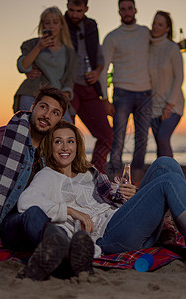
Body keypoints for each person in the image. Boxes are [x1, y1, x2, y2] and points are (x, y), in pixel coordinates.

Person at [17, 120, 186, 275]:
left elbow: (109, 202)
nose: (64, 147)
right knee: (167, 182)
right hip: (108, 237)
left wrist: (131, 197)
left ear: (77, 146)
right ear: (50, 148)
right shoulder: (47, 175)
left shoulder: (88, 173)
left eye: (70, 141)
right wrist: (70, 211)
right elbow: (25, 203)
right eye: (58, 141)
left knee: (165, 164)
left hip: (122, 223)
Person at [0, 87, 93, 280]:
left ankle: (59, 252)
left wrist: (116, 190)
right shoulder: (0, 138)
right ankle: (64, 254)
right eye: (43, 107)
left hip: (32, 221)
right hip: (0, 225)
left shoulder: (52, 152)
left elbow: (79, 173)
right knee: (33, 213)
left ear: (59, 120)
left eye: (55, 113)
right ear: (32, 107)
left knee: (35, 213)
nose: (47, 115)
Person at [101, 0, 152, 185]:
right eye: (123, 9)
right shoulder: (112, 37)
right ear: (119, 12)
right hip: (121, 94)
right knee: (118, 140)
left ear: (135, 10)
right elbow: (103, 69)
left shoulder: (145, 32)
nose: (127, 12)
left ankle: (136, 185)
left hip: (146, 94)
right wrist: (105, 98)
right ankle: (114, 185)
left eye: (129, 8)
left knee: (142, 141)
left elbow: (161, 47)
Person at [63, 0, 113, 173]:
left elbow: (99, 55)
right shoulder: (60, 23)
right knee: (65, 132)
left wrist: (98, 72)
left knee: (107, 135)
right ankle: (66, 172)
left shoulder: (92, 26)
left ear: (86, 9)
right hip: (69, 87)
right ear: (67, 5)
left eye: (79, 11)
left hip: (90, 86)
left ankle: (95, 174)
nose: (75, 14)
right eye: (71, 10)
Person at [13, 6, 77, 123]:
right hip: (32, 94)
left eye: (55, 22)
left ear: (61, 25)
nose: (51, 26)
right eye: (47, 23)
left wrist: (65, 95)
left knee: (66, 131)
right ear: (43, 26)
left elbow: (70, 77)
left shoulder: (69, 52)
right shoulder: (31, 44)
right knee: (29, 129)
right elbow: (22, 66)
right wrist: (39, 47)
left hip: (56, 97)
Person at [149, 11, 185, 158]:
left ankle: (172, 177)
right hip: (153, 106)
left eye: (160, 24)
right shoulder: (148, 48)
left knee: (163, 138)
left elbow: (179, 77)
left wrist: (170, 105)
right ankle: (161, 178)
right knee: (159, 143)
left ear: (167, 28)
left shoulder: (172, 48)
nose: (155, 27)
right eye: (154, 23)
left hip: (174, 104)